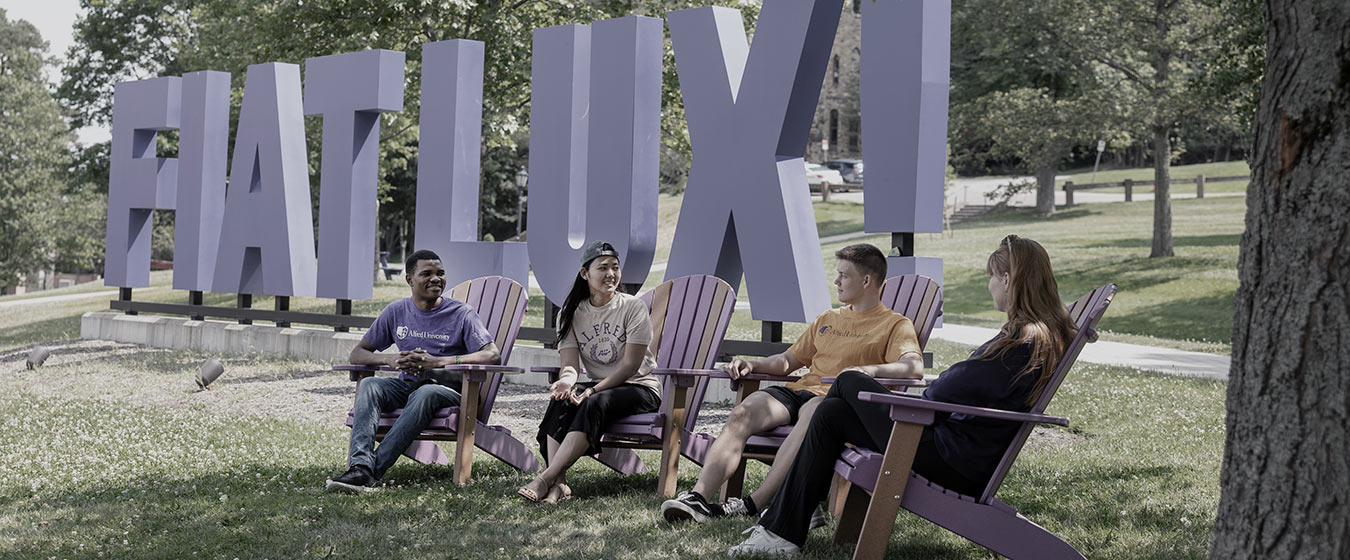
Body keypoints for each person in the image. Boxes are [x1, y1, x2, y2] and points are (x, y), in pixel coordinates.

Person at [728, 235, 1077, 557]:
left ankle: (783, 517)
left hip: (950, 457)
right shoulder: (1029, 336)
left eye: (991, 277)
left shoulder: (1023, 341)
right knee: (831, 413)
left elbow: (950, 388)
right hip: (949, 444)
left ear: (1008, 279)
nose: (989, 286)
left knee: (849, 380)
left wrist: (919, 398)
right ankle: (783, 533)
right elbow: (964, 386)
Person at [662, 244, 924, 524]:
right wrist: (754, 364)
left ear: (867, 280)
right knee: (744, 412)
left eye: (843, 276)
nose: (836, 281)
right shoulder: (828, 318)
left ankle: (754, 503)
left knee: (813, 408)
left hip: (834, 406)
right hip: (799, 393)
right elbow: (789, 360)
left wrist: (867, 370)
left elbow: (914, 367)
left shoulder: (895, 324)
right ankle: (698, 499)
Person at [325, 250, 501, 493]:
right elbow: (358, 353)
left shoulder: (462, 314)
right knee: (369, 385)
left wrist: (438, 362)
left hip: (454, 392)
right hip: (407, 387)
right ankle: (360, 466)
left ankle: (368, 472)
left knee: (427, 392)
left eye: (440, 273)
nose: (436, 279)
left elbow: (492, 354)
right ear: (409, 279)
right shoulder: (397, 312)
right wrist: (390, 359)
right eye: (427, 274)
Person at [516, 241, 662, 504]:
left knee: (593, 401)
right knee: (561, 401)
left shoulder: (632, 307)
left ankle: (545, 478)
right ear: (585, 274)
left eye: (615, 268)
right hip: (601, 386)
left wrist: (592, 390)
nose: (611, 274)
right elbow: (570, 365)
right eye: (603, 267)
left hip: (640, 387)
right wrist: (565, 382)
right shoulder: (571, 313)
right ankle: (559, 484)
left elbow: (630, 366)